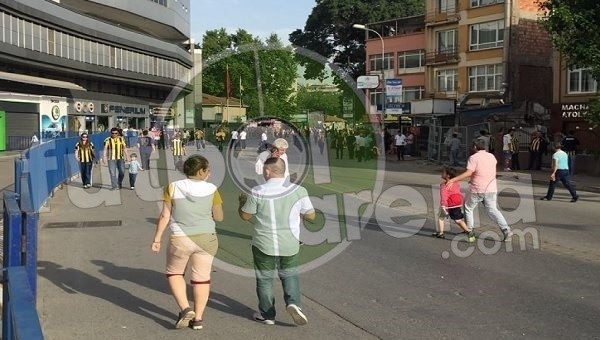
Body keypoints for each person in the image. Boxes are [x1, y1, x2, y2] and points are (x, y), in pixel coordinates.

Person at [238, 157, 316, 326]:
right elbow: (311, 216)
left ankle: (267, 315)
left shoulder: (258, 191)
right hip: (290, 243)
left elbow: (245, 216)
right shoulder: (299, 190)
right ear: (283, 170)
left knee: (265, 279)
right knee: (290, 276)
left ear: (268, 171)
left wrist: (241, 202)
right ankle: (293, 303)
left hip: (263, 243)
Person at [151, 155, 223, 330]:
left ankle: (185, 308)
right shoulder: (212, 189)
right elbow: (219, 217)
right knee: (202, 278)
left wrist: (157, 238)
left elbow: (165, 216)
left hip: (181, 238)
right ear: (201, 171)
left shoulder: (173, 187)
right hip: (207, 237)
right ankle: (198, 319)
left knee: (174, 273)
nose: (209, 172)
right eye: (208, 169)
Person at [446, 139, 514, 242]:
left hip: (477, 189)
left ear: (475, 147)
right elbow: (484, 170)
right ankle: (506, 230)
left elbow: (469, 172)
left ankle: (470, 231)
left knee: (468, 208)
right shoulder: (491, 156)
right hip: (491, 188)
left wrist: (453, 180)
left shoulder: (473, 158)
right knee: (493, 210)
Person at [433, 166, 475, 242]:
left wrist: (443, 206)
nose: (442, 173)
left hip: (449, 204)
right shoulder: (456, 183)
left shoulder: (444, 185)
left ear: (448, 175)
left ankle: (468, 231)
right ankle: (441, 232)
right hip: (457, 203)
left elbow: (444, 196)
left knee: (457, 220)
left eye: (443, 172)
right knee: (442, 217)